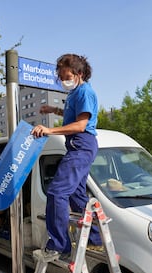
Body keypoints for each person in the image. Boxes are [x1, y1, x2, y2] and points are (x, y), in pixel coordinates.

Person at [31, 53, 99, 259]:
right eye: (60, 77)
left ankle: (59, 244)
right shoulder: (75, 93)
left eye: (65, 76)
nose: (63, 80)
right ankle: (95, 239)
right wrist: (54, 110)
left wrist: (49, 131)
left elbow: (80, 125)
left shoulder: (85, 92)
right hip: (79, 146)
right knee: (77, 195)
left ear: (78, 73)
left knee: (56, 192)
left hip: (81, 145)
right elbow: (72, 115)